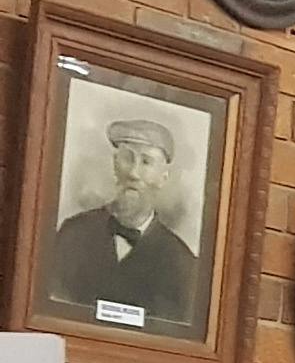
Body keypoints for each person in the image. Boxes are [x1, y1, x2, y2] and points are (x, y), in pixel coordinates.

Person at [44, 114, 198, 327]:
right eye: (127, 158)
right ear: (115, 165)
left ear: (163, 177)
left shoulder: (182, 264)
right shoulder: (73, 233)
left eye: (146, 162)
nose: (134, 173)